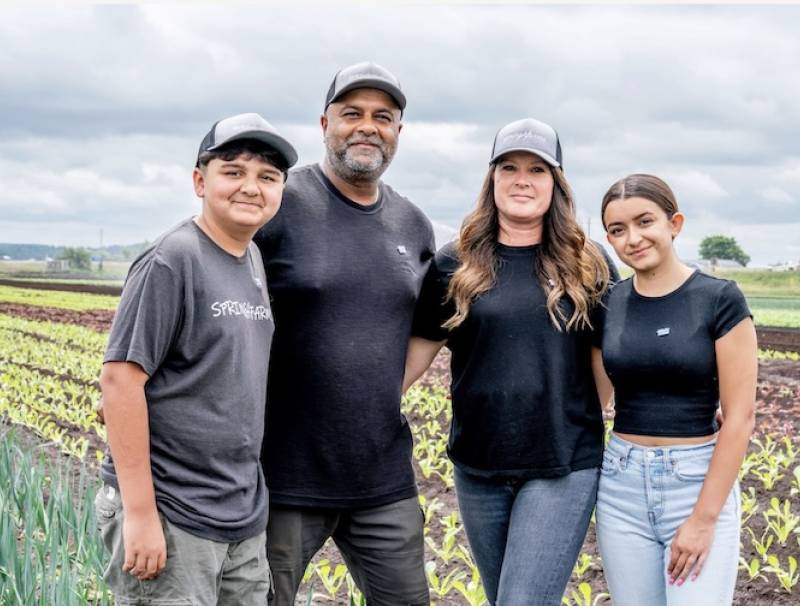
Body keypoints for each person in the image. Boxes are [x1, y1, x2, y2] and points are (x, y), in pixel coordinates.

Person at [404, 118, 617, 606]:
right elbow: (415, 356)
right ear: (492, 179)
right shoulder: (455, 263)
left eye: (537, 169)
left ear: (555, 183)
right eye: (510, 167)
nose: (522, 179)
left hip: (560, 466)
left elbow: (604, 363)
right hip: (478, 466)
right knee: (502, 596)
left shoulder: (589, 263)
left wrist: (566, 417)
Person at [96, 113, 297, 606]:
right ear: (200, 181)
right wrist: (140, 515)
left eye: (268, 177)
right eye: (233, 171)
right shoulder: (172, 259)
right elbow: (121, 382)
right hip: (172, 510)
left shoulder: (250, 258)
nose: (251, 187)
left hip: (239, 513)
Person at [253, 62, 435, 606]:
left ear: (398, 133)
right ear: (324, 123)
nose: (367, 127)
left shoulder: (413, 224)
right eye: (351, 114)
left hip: (380, 476)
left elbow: (426, 330)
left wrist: (378, 390)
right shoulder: (279, 204)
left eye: (383, 117)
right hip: (281, 475)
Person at [591, 174, 757, 605]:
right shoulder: (609, 303)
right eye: (617, 230)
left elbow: (739, 416)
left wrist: (703, 520)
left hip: (696, 481)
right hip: (621, 484)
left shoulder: (719, 299)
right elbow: (592, 399)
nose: (633, 238)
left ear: (674, 223)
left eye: (645, 221)